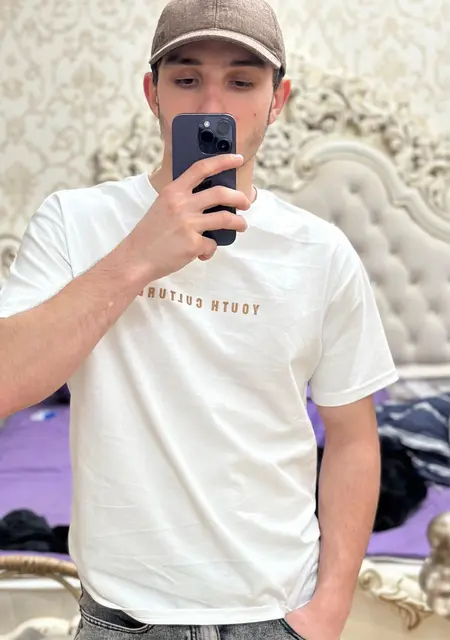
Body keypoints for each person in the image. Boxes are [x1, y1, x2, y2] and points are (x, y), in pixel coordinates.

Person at [0, 0, 398, 638]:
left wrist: (328, 609)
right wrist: (138, 257)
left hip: (275, 612)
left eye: (242, 81)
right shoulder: (75, 222)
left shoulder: (320, 252)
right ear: (152, 93)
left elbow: (353, 437)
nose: (213, 103)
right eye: (187, 79)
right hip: (123, 617)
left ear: (278, 100)